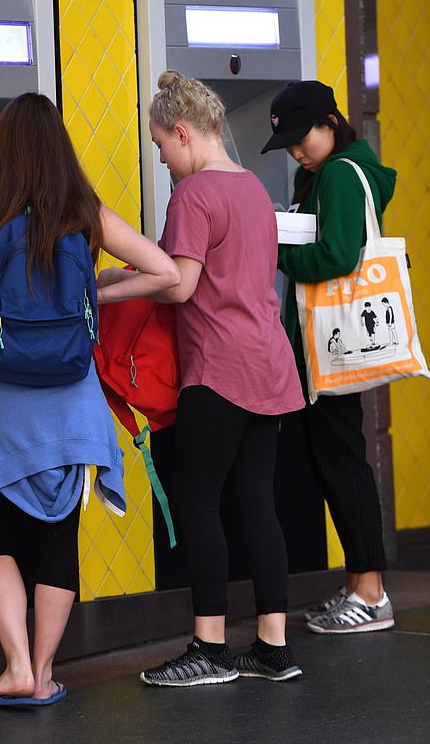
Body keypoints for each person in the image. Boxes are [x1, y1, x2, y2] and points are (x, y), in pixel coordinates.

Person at [0, 93, 180, 708]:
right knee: (60, 537)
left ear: (2, 146)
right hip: (70, 404)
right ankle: (46, 673)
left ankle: (16, 666)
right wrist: (91, 299)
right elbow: (167, 274)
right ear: (58, 145)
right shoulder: (83, 210)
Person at [100, 71, 306, 684]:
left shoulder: (193, 195)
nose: (162, 160)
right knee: (256, 504)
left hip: (218, 371)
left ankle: (209, 649)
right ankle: (273, 648)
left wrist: (101, 290)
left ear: (183, 133)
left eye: (162, 147)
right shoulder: (252, 191)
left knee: (198, 504)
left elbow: (178, 283)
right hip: (270, 366)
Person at [261, 80, 397, 634]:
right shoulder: (326, 172)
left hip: (336, 341)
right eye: (289, 144)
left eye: (303, 138)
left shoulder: (340, 172)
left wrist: (278, 247)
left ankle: (371, 591)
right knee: (333, 458)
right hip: (327, 340)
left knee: (342, 459)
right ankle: (356, 583)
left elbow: (339, 254)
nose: (297, 151)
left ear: (332, 122)